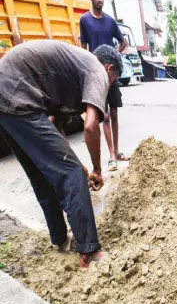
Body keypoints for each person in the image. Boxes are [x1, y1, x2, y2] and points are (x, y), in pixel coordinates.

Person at [0, 41, 121, 268]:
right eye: (113, 81)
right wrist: (95, 169)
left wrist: (74, 160)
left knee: (42, 172)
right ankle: (89, 252)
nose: (109, 88)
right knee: (71, 173)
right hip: (17, 93)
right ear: (109, 69)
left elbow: (55, 125)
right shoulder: (97, 70)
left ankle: (60, 239)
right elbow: (91, 126)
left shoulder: (75, 73)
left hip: (7, 94)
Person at [79, 0, 129, 172]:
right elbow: (83, 49)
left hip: (111, 74)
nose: (100, 0)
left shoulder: (109, 21)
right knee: (105, 115)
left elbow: (123, 42)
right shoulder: (85, 20)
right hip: (95, 75)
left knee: (114, 112)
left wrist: (114, 56)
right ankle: (110, 157)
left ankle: (116, 152)